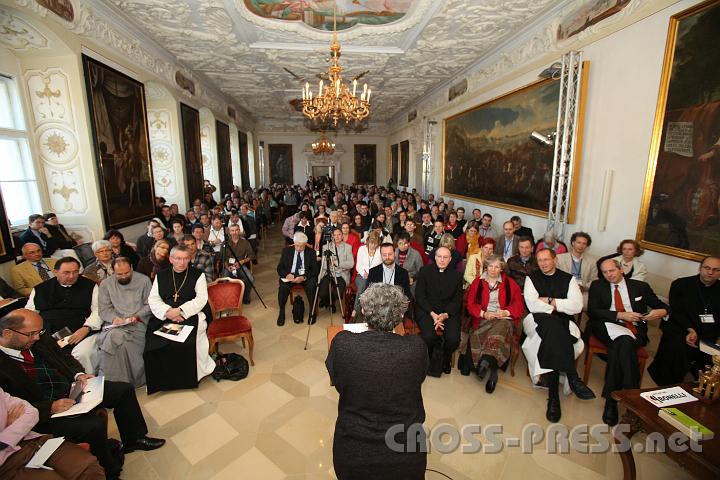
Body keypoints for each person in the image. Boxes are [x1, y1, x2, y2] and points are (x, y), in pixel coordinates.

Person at [0, 309, 165, 478]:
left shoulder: (39, 339)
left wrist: (79, 375)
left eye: (39, 332)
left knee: (123, 390)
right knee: (93, 425)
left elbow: (65, 358)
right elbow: (12, 407)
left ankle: (134, 439)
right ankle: (108, 472)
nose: (36, 337)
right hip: (45, 412)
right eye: (31, 334)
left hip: (71, 389)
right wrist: (50, 407)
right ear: (7, 333)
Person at [326, 283, 426, 479]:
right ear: (399, 316)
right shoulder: (416, 347)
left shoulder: (342, 343)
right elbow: (418, 377)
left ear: (363, 310)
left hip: (353, 452)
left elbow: (338, 381)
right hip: (406, 454)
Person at [587, 259, 669, 426]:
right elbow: (593, 311)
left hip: (634, 329)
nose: (609, 275)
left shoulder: (640, 287)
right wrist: (619, 315)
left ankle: (612, 400)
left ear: (621, 269)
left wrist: (662, 311)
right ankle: (633, 395)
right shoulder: (598, 286)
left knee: (622, 345)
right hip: (606, 324)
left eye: (612, 271)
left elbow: (661, 305)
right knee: (624, 342)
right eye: (605, 272)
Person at [522, 249, 595, 422]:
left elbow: (577, 306)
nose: (543, 263)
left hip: (562, 321)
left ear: (555, 260)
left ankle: (553, 397)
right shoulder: (532, 278)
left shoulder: (568, 279)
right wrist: (560, 305)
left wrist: (549, 301)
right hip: (537, 320)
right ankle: (573, 377)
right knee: (554, 326)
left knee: (553, 336)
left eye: (546, 259)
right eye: (539, 260)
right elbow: (532, 305)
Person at [145, 245, 216, 394]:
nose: (182, 262)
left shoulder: (198, 275)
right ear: (171, 259)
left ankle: (193, 376)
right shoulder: (161, 275)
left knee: (188, 341)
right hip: (166, 315)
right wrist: (168, 312)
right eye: (178, 258)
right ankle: (164, 380)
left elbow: (201, 298)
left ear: (189, 259)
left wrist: (182, 311)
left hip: (191, 314)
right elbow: (153, 299)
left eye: (185, 258)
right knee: (155, 344)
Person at [0, 387, 105, 479]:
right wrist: (9, 435)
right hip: (6, 465)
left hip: (33, 442)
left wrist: (8, 431)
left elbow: (31, 412)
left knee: (89, 466)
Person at [648, 256, 720, 386]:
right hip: (680, 327)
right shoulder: (681, 284)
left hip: (708, 334)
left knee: (712, 355)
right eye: (707, 268)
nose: (710, 272)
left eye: (715, 270)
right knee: (677, 347)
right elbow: (676, 311)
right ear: (700, 268)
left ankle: (703, 385)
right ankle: (668, 385)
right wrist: (690, 330)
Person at [459, 254, 524, 392]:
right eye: (490, 266)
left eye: (497, 267)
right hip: (483, 320)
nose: (493, 270)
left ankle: (486, 362)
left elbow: (519, 304)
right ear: (486, 267)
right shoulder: (478, 282)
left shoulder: (509, 283)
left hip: (502, 319)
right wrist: (484, 313)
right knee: (497, 335)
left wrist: (505, 312)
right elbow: (471, 305)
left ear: (501, 269)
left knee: (504, 325)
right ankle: (493, 372)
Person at [26, 258, 100, 374]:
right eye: (66, 272)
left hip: (82, 332)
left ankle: (88, 384)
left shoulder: (90, 286)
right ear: (55, 272)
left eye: (75, 272)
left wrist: (87, 328)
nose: (72, 276)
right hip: (47, 336)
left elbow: (98, 310)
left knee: (81, 354)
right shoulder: (40, 289)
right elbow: (30, 313)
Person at [97, 257, 151, 388]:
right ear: (113, 272)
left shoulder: (144, 280)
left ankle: (123, 383)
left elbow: (149, 305)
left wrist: (136, 316)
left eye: (126, 273)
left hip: (138, 323)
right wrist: (114, 318)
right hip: (116, 324)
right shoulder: (106, 284)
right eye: (119, 274)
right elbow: (104, 309)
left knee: (120, 342)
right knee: (116, 338)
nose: (123, 276)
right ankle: (115, 385)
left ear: (131, 268)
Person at [415, 246, 463, 376]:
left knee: (453, 339)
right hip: (427, 310)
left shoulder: (457, 276)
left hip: (448, 313)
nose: (442, 260)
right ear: (435, 257)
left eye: (445, 257)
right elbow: (420, 296)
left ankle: (445, 360)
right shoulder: (424, 271)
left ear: (450, 259)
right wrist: (432, 313)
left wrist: (445, 315)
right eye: (439, 257)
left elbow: (457, 300)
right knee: (429, 336)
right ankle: (427, 359)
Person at [276, 232, 319, 326]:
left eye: (301, 246)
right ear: (294, 243)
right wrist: (287, 275)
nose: (299, 248)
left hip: (305, 276)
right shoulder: (286, 251)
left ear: (305, 244)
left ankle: (312, 312)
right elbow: (280, 268)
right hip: (290, 276)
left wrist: (303, 277)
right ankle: (281, 312)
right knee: (283, 288)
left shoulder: (311, 252)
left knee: (312, 286)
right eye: (297, 246)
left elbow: (315, 270)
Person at [556, 232, 598, 308]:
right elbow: (555, 276)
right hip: (564, 288)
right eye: (578, 242)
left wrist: (584, 287)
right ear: (573, 243)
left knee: (590, 304)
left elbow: (594, 280)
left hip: (583, 289)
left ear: (587, 246)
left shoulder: (593, 261)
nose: (581, 246)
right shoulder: (559, 258)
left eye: (584, 244)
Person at [318, 228, 354, 314]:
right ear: (332, 236)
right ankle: (326, 300)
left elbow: (351, 264)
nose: (337, 237)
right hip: (328, 273)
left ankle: (332, 302)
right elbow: (323, 264)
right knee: (322, 293)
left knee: (337, 293)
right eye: (335, 235)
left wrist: (337, 263)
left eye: (339, 235)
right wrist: (329, 265)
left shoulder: (348, 247)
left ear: (342, 236)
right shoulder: (325, 247)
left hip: (341, 274)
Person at [222, 224, 255, 304]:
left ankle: (245, 297)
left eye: (236, 230)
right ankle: (229, 299)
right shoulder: (225, 243)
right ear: (229, 232)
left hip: (241, 265)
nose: (235, 232)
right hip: (229, 266)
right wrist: (227, 267)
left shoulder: (245, 242)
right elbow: (223, 258)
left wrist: (242, 262)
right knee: (225, 280)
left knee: (251, 279)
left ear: (239, 231)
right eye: (232, 230)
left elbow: (252, 256)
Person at [355, 232, 382, 297]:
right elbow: (358, 266)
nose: (373, 245)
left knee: (375, 289)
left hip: (376, 276)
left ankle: (372, 306)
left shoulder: (380, 250)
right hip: (361, 275)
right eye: (371, 243)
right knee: (362, 286)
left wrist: (371, 274)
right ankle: (357, 307)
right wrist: (364, 274)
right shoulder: (362, 249)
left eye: (375, 243)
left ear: (378, 243)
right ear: (367, 241)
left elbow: (381, 266)